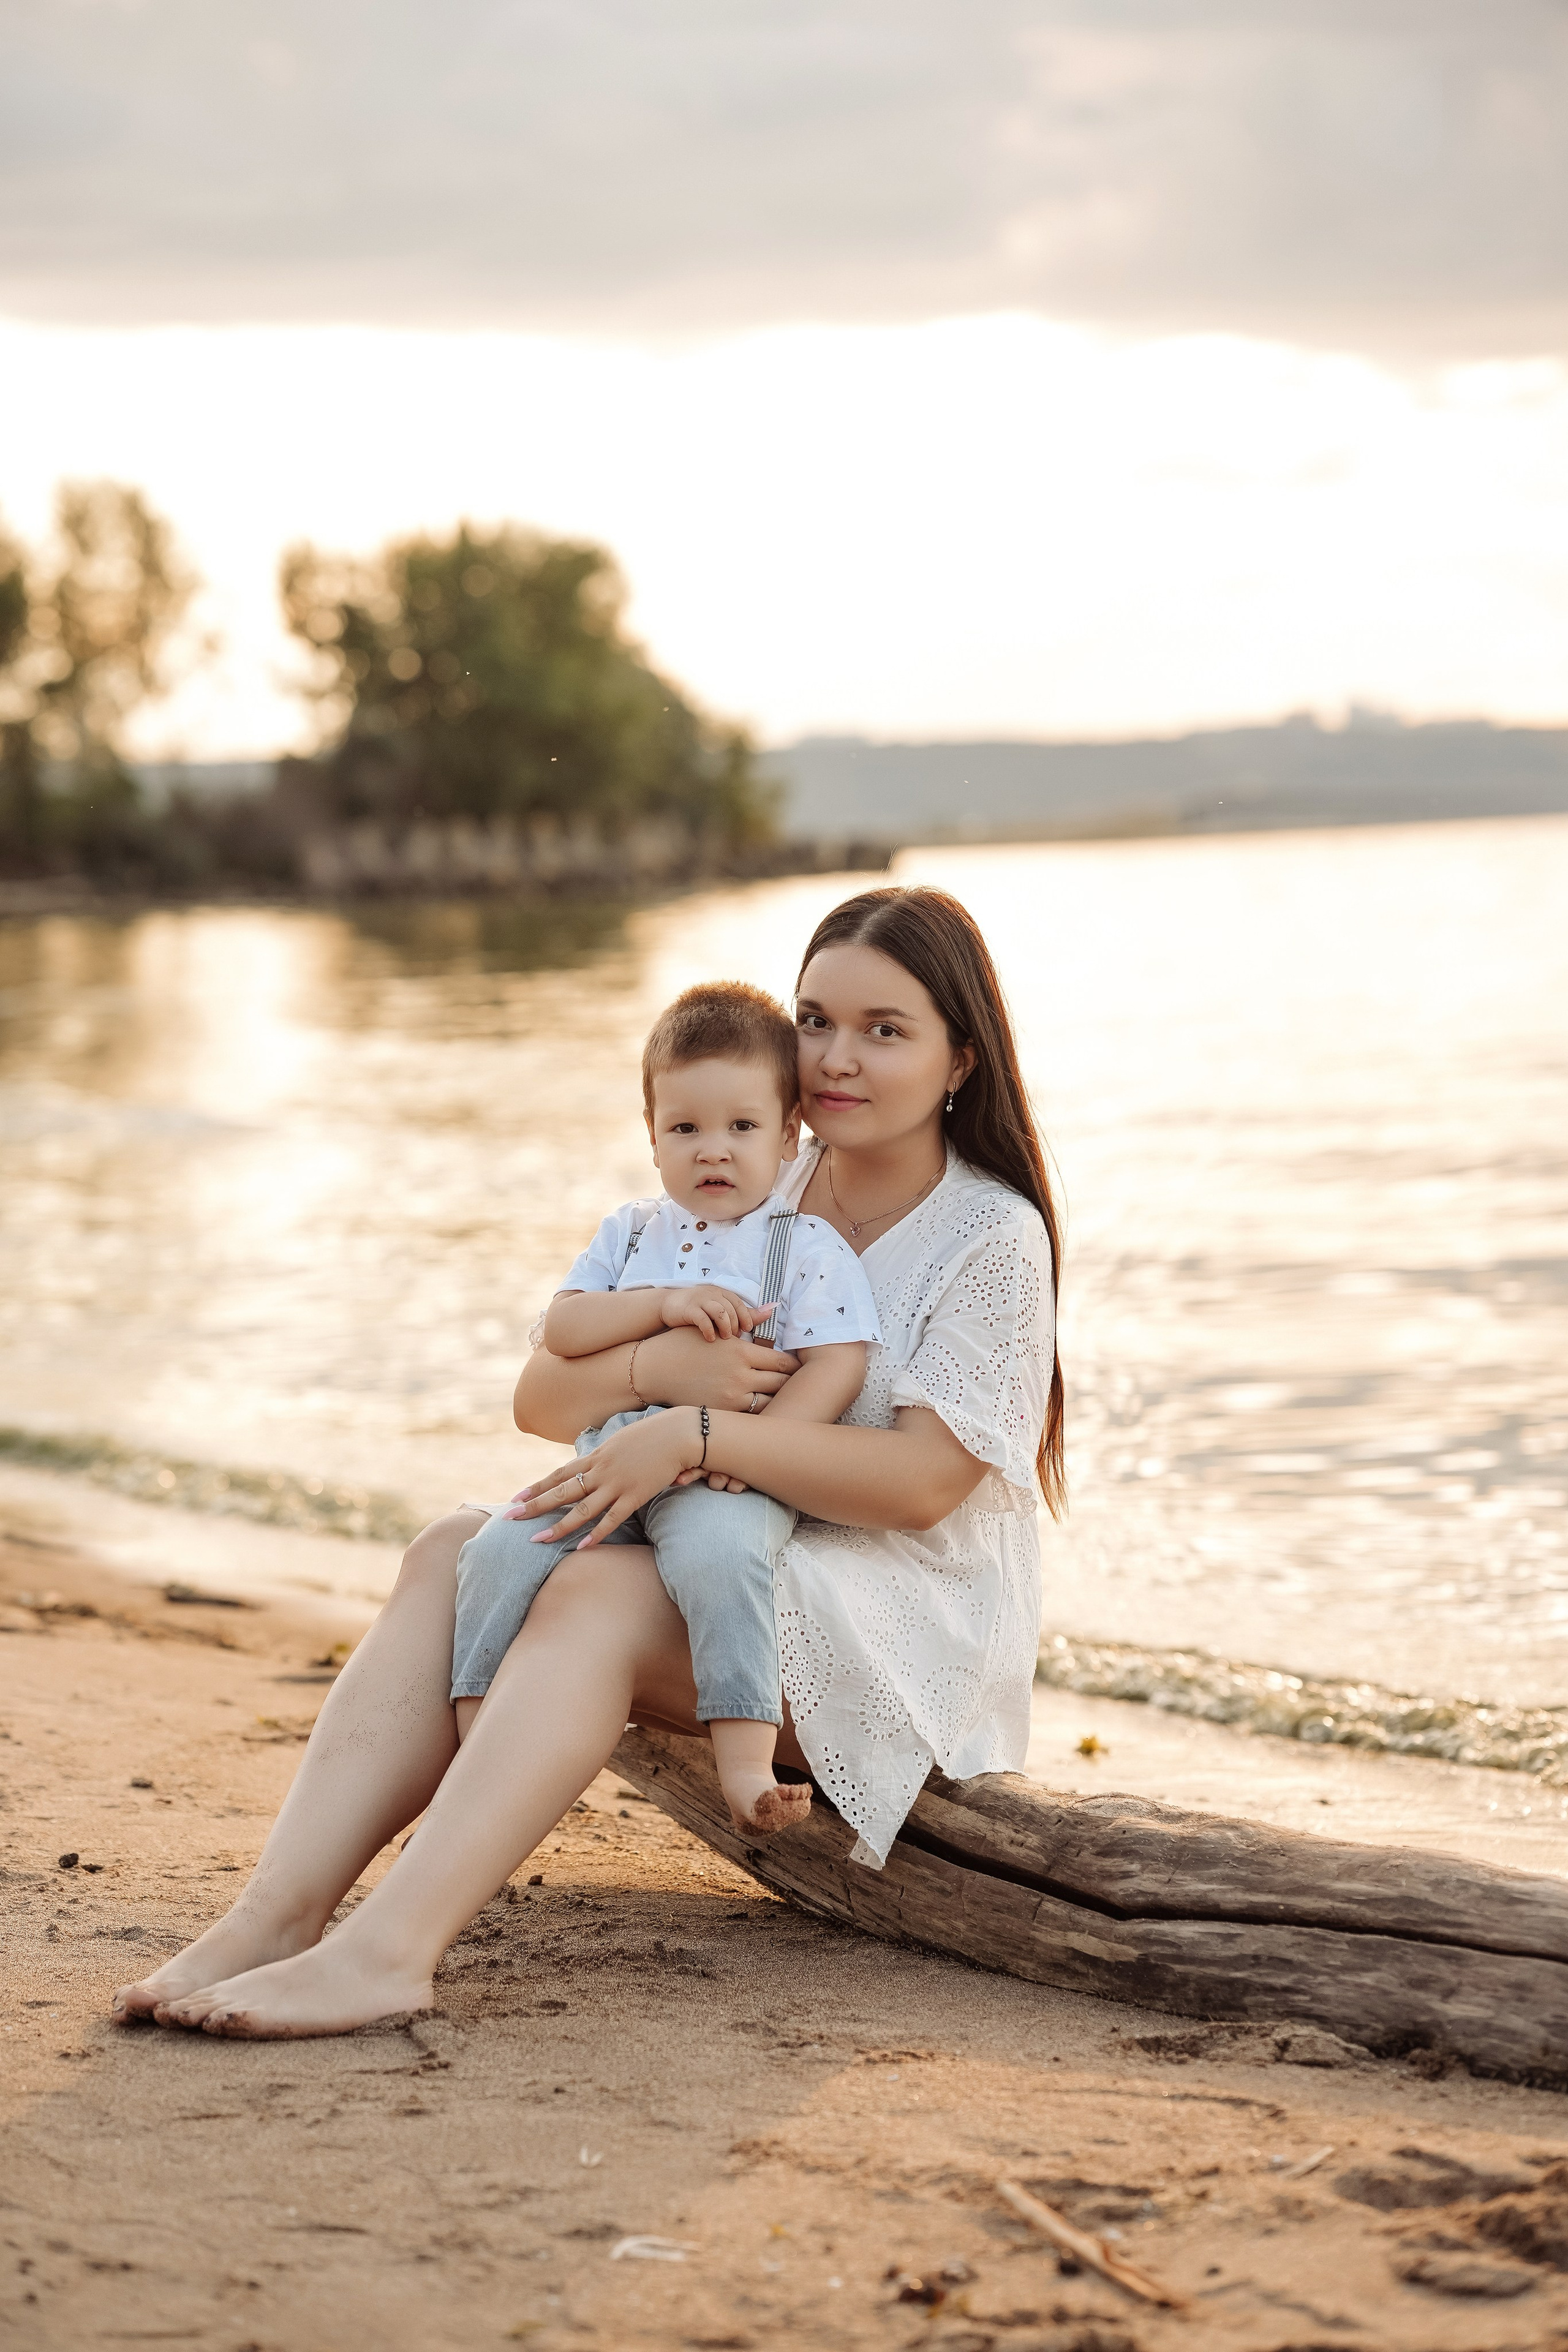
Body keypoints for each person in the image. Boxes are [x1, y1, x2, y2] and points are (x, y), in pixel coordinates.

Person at [113, 883, 1064, 2039]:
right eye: (816, 1020)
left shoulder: (991, 1234)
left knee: (596, 1594)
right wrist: (662, 1370)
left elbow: (922, 1489)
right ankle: (275, 1916)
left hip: (906, 1616)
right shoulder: (749, 1167)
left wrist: (696, 1435)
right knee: (451, 1547)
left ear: (961, 1058)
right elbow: (543, 1397)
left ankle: (387, 1953)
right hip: (727, 1550)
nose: (835, 1058)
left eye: (885, 1030)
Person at [450, 979, 881, 1833]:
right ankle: (475, 1737)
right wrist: (662, 1304)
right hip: (611, 1460)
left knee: (725, 1561)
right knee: (500, 1548)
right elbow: (565, 1329)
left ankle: (746, 1767)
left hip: (724, 1475)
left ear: (788, 1135)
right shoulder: (633, 1232)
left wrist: (755, 1447)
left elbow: (840, 1361)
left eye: (742, 1127)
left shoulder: (804, 1246)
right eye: (686, 1129)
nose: (713, 1151)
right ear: (652, 1137)